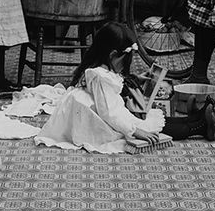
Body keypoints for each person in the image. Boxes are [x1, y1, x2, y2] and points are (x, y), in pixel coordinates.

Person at [36, 22, 166, 152]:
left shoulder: (97, 65)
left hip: (93, 110)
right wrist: (135, 131)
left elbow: (115, 83)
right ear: (112, 55)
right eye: (124, 62)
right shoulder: (101, 77)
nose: (123, 67)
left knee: (143, 121)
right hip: (94, 118)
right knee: (146, 127)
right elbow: (109, 113)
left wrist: (135, 79)